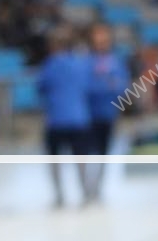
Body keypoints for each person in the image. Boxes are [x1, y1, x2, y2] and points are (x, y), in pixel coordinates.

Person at [36, 25, 92, 208]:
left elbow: (41, 87)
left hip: (56, 120)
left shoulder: (49, 65)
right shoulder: (80, 64)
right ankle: (85, 192)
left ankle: (59, 195)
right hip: (78, 118)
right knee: (80, 158)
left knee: (55, 159)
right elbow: (87, 87)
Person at [83, 22, 130, 202]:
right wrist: (106, 84)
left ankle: (98, 188)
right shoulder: (86, 62)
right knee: (86, 153)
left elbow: (121, 87)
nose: (101, 42)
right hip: (87, 115)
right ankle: (86, 187)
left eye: (104, 38)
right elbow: (86, 86)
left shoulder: (116, 62)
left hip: (108, 114)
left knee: (103, 152)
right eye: (98, 38)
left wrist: (107, 85)